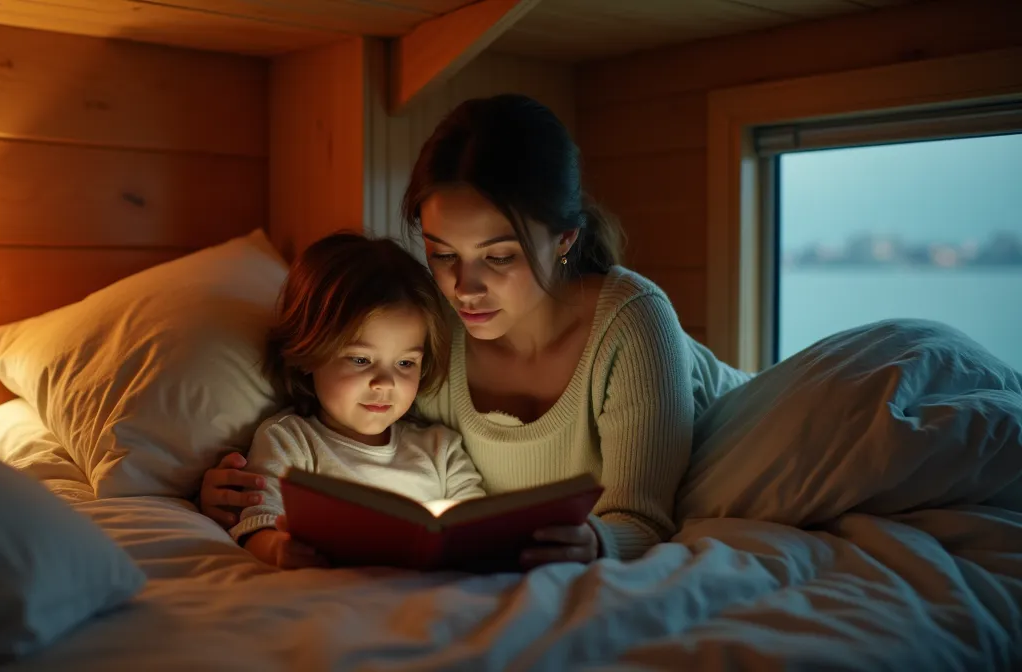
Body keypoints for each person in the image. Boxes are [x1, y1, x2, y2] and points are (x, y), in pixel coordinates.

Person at [201, 94, 749, 567]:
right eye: (442, 254)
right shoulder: (430, 328)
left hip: (758, 424)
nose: (464, 288)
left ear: (563, 239)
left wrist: (596, 540)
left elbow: (642, 518)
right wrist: (235, 496)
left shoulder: (633, 322)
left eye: (499, 256)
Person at [229, 232, 486, 570]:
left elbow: (479, 529)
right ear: (310, 354)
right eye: (361, 360)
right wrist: (278, 549)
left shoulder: (441, 450)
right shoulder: (290, 442)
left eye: (405, 363)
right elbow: (258, 521)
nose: (385, 383)